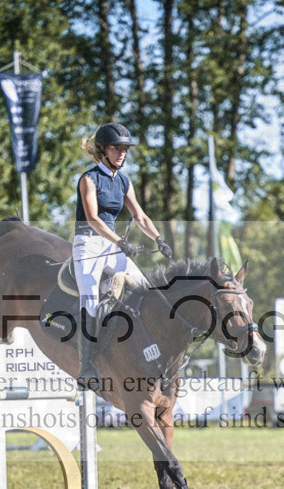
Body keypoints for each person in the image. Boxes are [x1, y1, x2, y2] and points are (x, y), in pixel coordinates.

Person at [73, 122, 172, 389]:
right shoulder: (88, 179)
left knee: (146, 289)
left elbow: (139, 215)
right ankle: (86, 367)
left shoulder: (124, 181)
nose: (122, 154)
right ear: (103, 150)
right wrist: (120, 241)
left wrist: (159, 239)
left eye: (125, 149)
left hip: (111, 245)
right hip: (88, 246)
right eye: (117, 148)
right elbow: (93, 218)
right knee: (90, 303)